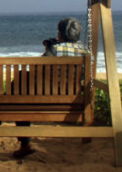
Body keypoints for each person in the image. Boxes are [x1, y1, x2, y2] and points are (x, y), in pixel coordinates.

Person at [13, 17, 88, 158]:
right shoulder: (85, 52)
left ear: (61, 34)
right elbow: (86, 76)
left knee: (21, 81)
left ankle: (25, 143)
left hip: (45, 100)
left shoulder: (55, 49)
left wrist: (48, 50)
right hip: (73, 102)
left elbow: (36, 69)